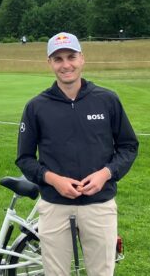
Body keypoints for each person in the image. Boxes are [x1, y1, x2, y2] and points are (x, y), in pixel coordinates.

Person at [16, 32, 138, 276]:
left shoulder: (107, 100)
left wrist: (106, 173)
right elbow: (25, 159)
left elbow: (128, 146)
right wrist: (54, 180)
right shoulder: (36, 106)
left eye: (71, 56)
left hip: (99, 204)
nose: (66, 65)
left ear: (82, 58)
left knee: (102, 272)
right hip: (54, 205)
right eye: (58, 59)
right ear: (49, 63)